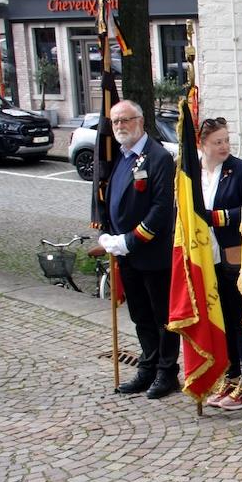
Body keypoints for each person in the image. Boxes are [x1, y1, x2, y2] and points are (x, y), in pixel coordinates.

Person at [93, 99, 180, 399]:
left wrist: (129, 240)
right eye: (115, 121)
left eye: (125, 120)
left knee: (162, 317)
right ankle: (148, 366)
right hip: (125, 255)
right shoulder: (119, 156)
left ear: (140, 121)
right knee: (140, 315)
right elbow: (109, 198)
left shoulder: (157, 157)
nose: (120, 126)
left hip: (152, 253)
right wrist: (108, 234)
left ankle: (167, 372)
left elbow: (160, 209)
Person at [197, 117, 242, 410]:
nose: (223, 146)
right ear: (203, 144)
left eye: (225, 140)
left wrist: (215, 217)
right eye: (217, 142)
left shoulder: (239, 169)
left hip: (234, 254)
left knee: (239, 319)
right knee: (220, 318)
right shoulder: (194, 172)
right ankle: (231, 373)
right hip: (206, 255)